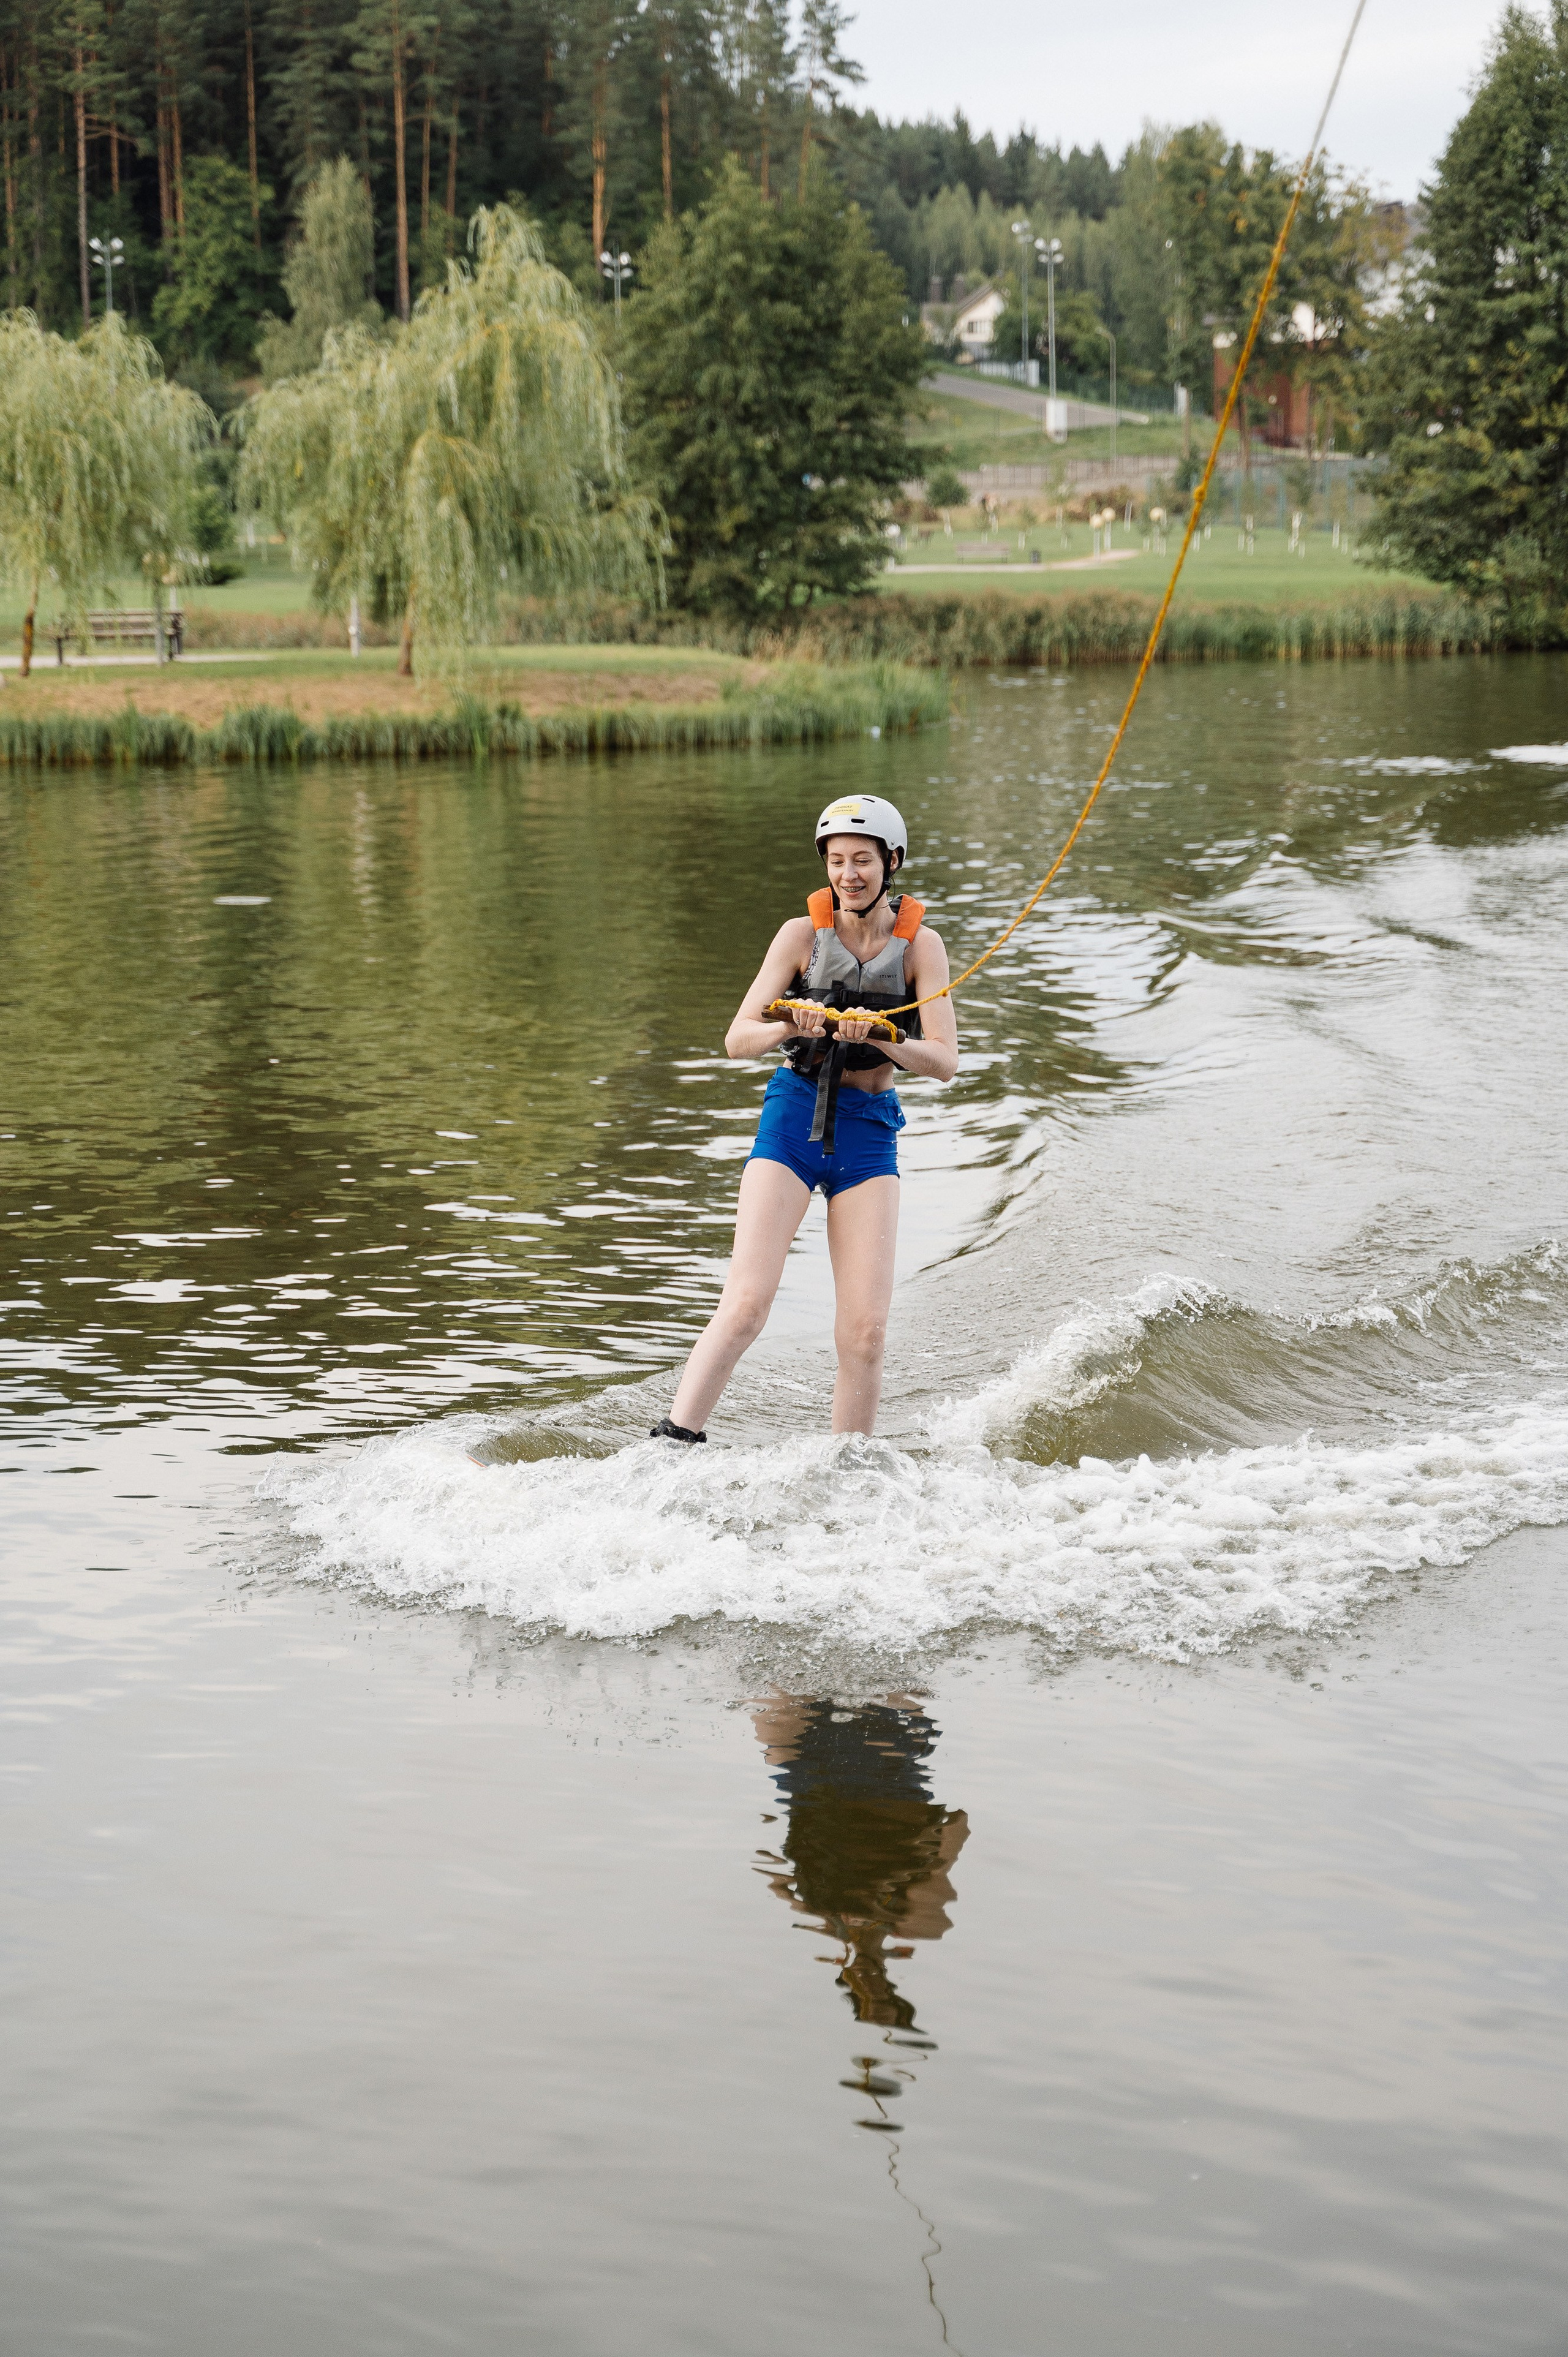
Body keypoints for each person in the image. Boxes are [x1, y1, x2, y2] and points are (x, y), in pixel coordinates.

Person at [651, 793, 958, 1444]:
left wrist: (881, 1036)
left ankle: (848, 1467)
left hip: (869, 1129)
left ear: (891, 863)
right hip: (793, 1116)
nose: (849, 874)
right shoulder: (799, 936)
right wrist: (789, 1018)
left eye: (864, 861)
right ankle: (672, 1445)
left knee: (865, 1331)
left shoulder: (920, 947)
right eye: (838, 861)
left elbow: (943, 1060)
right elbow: (736, 1038)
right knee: (745, 1305)